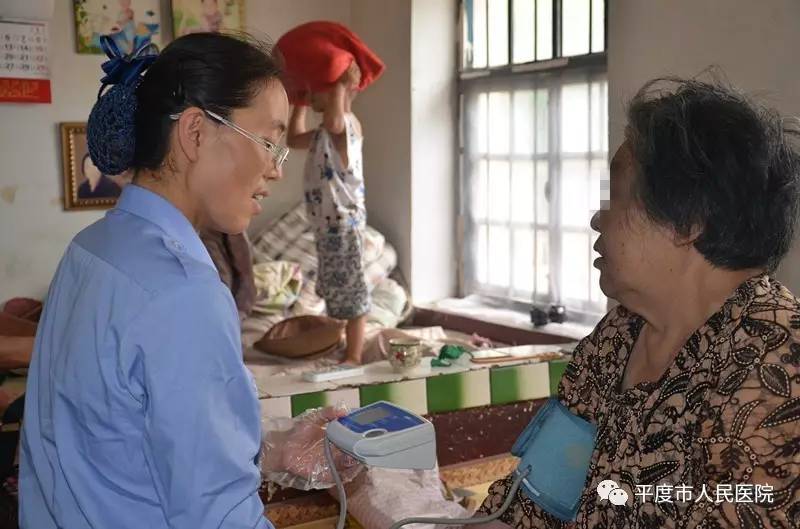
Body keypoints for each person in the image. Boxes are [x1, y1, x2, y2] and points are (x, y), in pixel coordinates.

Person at [479, 78, 800, 528]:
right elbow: (534, 501)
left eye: (615, 194)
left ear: (687, 221)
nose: (598, 218)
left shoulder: (776, 362)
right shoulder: (618, 335)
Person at [20, 33, 291, 528]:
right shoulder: (184, 294)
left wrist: (265, 446)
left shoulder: (90, 249)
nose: (276, 169)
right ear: (196, 133)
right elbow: (219, 515)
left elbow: (111, 438)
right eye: (270, 142)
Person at [279, 22, 384, 365]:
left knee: (352, 292)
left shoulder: (346, 126)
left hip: (345, 224)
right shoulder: (324, 134)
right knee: (335, 288)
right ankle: (339, 344)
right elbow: (293, 139)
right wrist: (298, 101)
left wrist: (339, 83)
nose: (312, 96)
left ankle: (354, 355)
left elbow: (337, 120)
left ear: (339, 89)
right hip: (327, 227)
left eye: (317, 90)